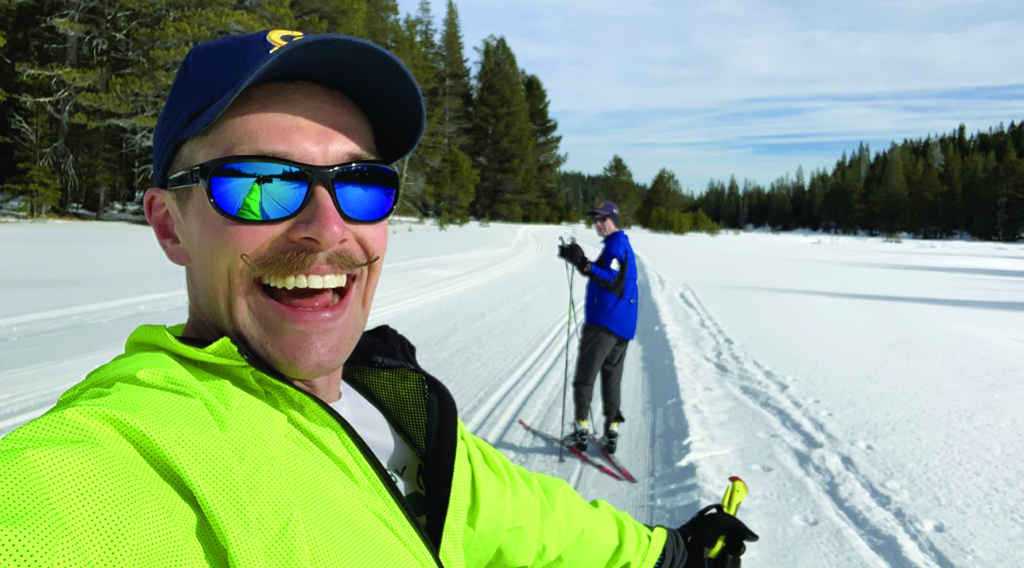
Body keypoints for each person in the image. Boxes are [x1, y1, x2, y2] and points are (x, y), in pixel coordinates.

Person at [0, 30, 757, 567]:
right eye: (259, 185)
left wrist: (666, 553)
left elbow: (517, 514)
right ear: (170, 225)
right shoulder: (124, 460)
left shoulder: (388, 398)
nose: (328, 229)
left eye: (360, 184)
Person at [558, 201, 638, 455]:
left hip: (605, 322)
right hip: (621, 324)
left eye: (603, 219)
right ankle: (611, 432)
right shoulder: (620, 244)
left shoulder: (617, 245)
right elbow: (606, 274)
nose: (598, 224)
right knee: (612, 379)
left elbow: (609, 276)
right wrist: (580, 262)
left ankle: (581, 431)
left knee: (585, 376)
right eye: (595, 220)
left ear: (614, 219)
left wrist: (583, 262)